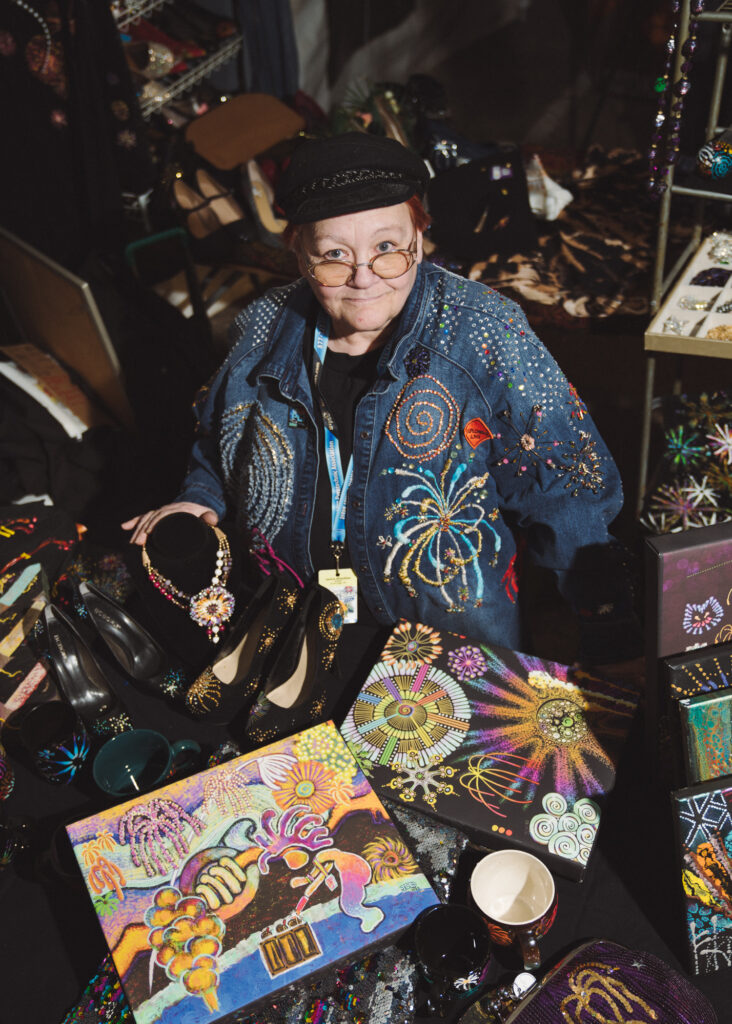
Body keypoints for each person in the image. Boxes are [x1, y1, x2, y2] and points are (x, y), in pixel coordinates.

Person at [122, 132, 641, 716]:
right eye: (334, 255)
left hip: (447, 642)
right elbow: (220, 441)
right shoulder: (263, 328)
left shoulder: (484, 331)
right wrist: (197, 498)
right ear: (299, 253)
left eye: (388, 246)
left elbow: (565, 488)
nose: (364, 277)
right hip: (294, 630)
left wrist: (610, 632)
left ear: (420, 237)